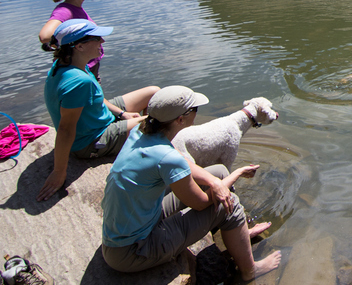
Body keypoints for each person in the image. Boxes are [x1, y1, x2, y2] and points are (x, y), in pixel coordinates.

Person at [101, 86, 282, 280]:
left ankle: (239, 233)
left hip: (138, 220)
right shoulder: (167, 159)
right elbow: (202, 202)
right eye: (195, 109)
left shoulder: (141, 131)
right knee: (229, 206)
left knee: (219, 172)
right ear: (180, 120)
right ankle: (250, 270)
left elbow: (183, 160)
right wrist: (235, 174)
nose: (197, 112)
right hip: (133, 250)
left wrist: (214, 180)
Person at [37, 19, 160, 202]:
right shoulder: (78, 81)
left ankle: (140, 138)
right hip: (92, 140)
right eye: (97, 38)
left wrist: (121, 114)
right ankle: (148, 146)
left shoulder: (70, 64)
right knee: (160, 121)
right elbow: (65, 129)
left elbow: (96, 96)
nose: (102, 41)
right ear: (78, 46)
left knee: (154, 93)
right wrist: (58, 171)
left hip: (100, 116)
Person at [38, 0, 104, 79]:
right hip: (79, 72)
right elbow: (45, 36)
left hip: (87, 68)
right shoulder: (65, 11)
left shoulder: (75, 8)